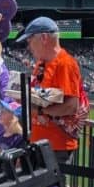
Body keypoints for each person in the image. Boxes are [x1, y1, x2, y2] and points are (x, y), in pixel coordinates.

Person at [15, 17, 86, 175]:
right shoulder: (41, 64)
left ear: (44, 38)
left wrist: (38, 110)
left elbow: (71, 106)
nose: (28, 45)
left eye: (30, 40)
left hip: (56, 146)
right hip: (38, 142)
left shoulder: (65, 64)